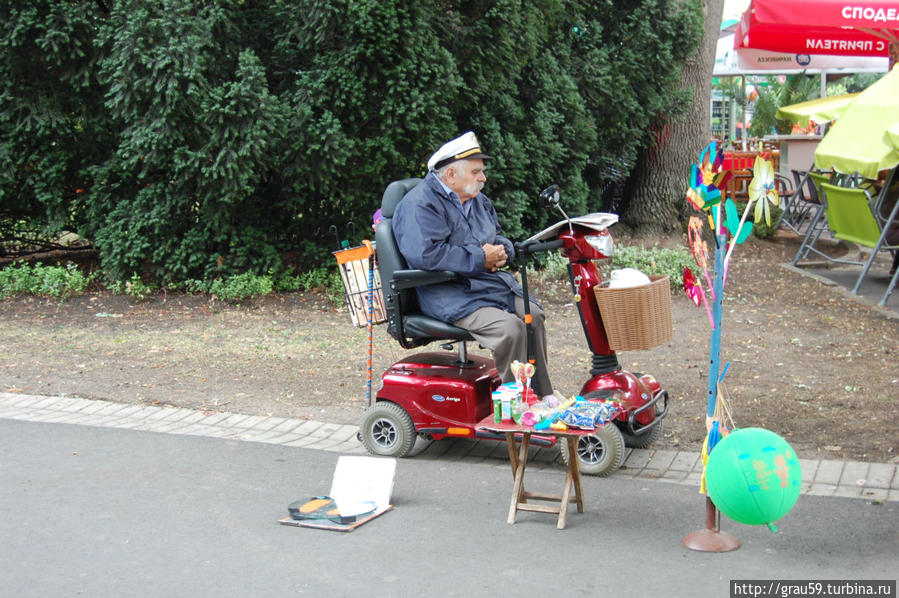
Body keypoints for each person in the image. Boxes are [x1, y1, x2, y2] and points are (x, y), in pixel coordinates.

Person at [392, 131, 554, 397]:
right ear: (451, 175)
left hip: (484, 286)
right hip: (446, 293)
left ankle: (542, 395)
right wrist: (481, 257)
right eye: (477, 171)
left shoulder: (478, 200)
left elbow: (495, 235)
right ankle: (515, 405)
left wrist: (504, 250)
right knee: (509, 329)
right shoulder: (419, 204)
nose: (483, 178)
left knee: (532, 315)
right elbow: (427, 256)